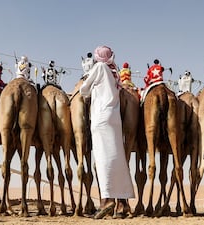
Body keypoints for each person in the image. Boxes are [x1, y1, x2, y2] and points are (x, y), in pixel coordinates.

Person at [79, 45, 134, 219]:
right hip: (114, 119)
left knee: (102, 161)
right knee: (117, 159)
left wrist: (88, 90)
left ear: (98, 57)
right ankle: (123, 202)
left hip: (101, 118)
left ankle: (107, 200)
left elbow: (84, 89)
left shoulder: (100, 67)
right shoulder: (113, 70)